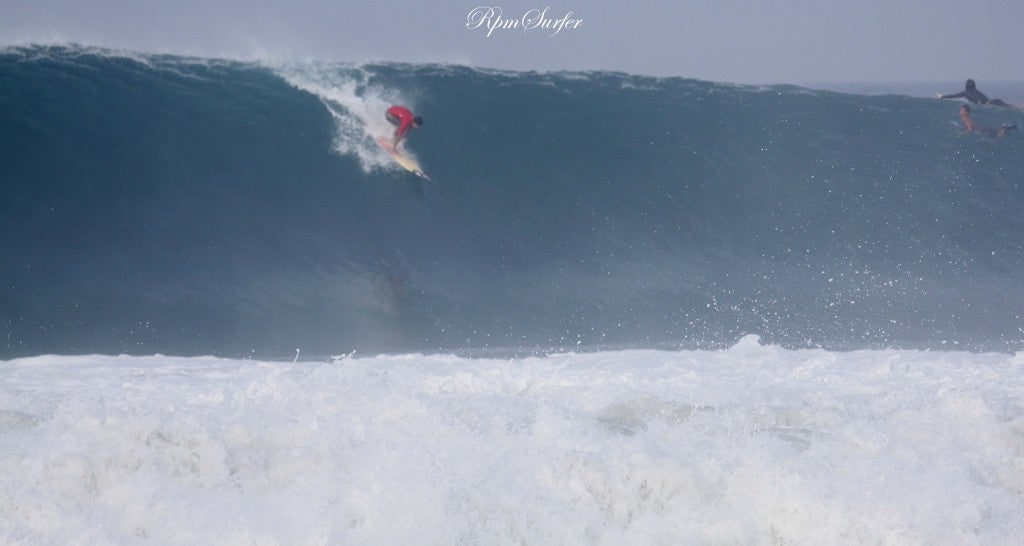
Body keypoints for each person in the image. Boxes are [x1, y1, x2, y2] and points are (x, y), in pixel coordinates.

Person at [940, 79, 1013, 107]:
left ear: (966, 85)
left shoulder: (966, 92)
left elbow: (954, 96)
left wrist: (943, 97)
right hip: (994, 100)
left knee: (1006, 106)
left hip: (989, 104)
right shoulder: (977, 91)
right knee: (1009, 106)